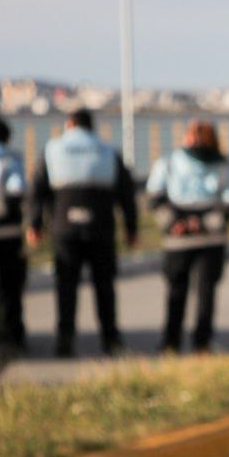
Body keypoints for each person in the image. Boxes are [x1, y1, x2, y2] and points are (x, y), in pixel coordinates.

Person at [28, 108, 137, 358]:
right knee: (104, 286)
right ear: (91, 126)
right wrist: (131, 228)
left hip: (64, 227)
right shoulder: (108, 150)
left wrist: (35, 225)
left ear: (69, 124)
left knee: (66, 285)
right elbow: (127, 194)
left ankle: (65, 339)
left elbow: (37, 190)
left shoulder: (52, 149)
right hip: (101, 227)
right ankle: (110, 339)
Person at [145, 119, 229, 353]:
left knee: (176, 291)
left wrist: (176, 224)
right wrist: (204, 223)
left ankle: (170, 342)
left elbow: (154, 197)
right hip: (211, 238)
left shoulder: (168, 162)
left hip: (178, 240)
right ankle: (202, 344)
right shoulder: (223, 164)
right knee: (206, 292)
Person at [0, 114, 28, 349]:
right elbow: (18, 190)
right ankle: (14, 336)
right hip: (7, 235)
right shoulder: (11, 159)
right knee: (11, 291)